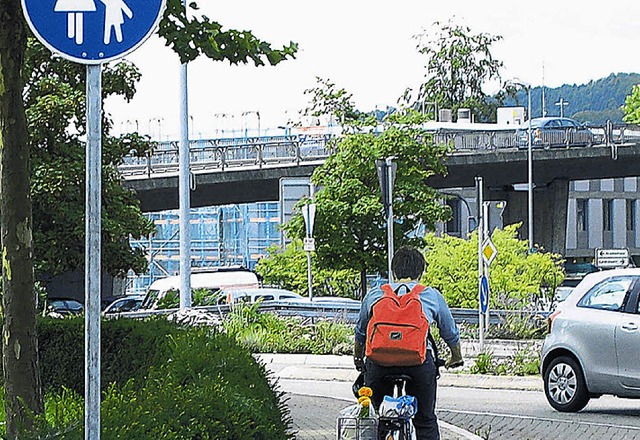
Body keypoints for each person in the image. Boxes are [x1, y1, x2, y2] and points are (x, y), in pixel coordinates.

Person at [354, 246, 463, 440]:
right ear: (420, 273)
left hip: (379, 364)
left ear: (394, 272)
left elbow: (360, 332)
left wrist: (358, 358)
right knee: (425, 420)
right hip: (418, 364)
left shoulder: (375, 295)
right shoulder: (430, 296)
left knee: (376, 418)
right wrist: (456, 357)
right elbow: (450, 332)